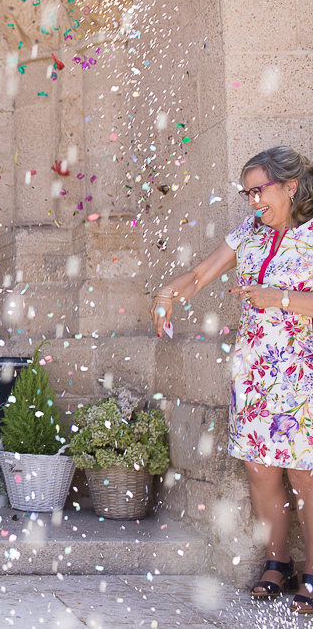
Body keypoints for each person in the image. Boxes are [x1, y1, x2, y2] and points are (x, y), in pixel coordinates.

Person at [150, 146, 313, 614]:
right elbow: (200, 274)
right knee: (261, 472)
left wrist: (277, 297)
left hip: (302, 372)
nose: (251, 202)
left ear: (290, 186)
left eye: (258, 191)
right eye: (246, 194)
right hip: (257, 372)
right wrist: (167, 293)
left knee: (305, 475)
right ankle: (276, 563)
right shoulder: (250, 232)